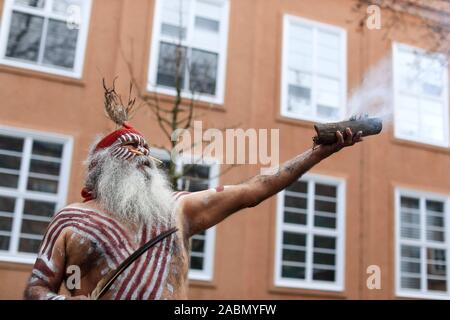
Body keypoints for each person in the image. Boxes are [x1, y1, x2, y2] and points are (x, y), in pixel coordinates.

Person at [24, 84, 363, 300]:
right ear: (104, 170)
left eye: (147, 158)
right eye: (131, 157)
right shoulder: (71, 220)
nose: (144, 162)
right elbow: (36, 290)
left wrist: (318, 153)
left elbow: (255, 188)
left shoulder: (178, 210)